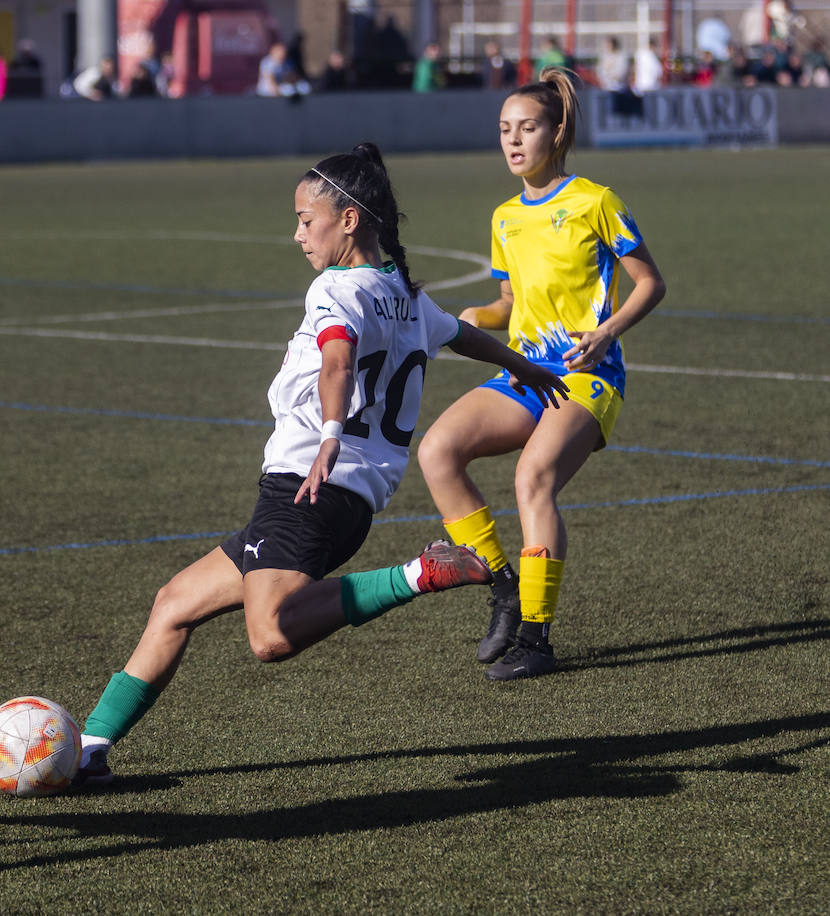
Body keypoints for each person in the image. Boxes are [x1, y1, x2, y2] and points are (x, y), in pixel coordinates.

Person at [71, 143, 570, 786]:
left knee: (269, 635)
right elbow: (460, 334)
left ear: (350, 220)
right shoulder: (407, 296)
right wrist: (522, 365)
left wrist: (331, 431)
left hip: (309, 485)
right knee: (174, 603)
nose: (298, 232)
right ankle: (90, 749)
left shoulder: (337, 288)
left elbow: (337, 357)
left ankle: (421, 573)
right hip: (337, 494)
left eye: (308, 219)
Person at [416, 69, 666, 681]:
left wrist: (608, 331)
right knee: (438, 450)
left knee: (534, 477)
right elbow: (511, 305)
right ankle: (502, 586)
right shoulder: (505, 217)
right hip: (529, 370)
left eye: (527, 128)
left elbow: (651, 283)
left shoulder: (595, 201)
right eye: (505, 130)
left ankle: (536, 637)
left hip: (587, 374)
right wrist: (479, 316)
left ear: (556, 134)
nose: (514, 140)